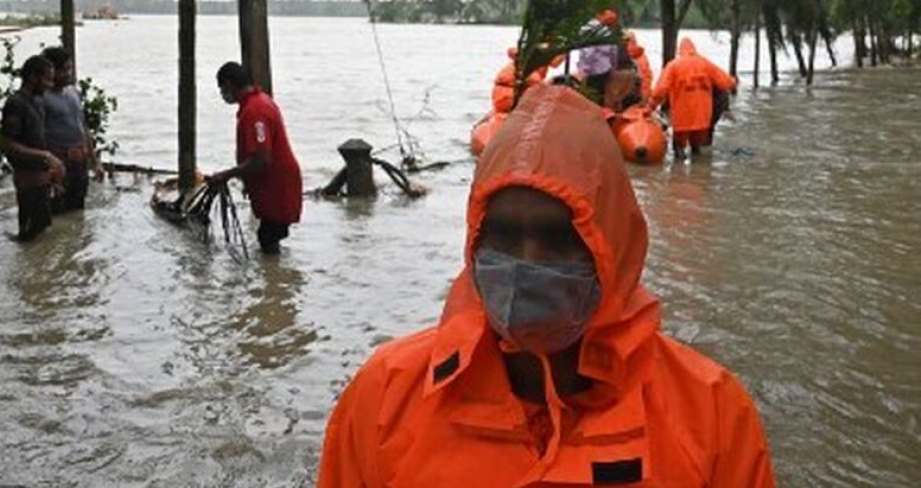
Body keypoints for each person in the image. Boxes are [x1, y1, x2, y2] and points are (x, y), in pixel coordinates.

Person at [318, 85, 775, 488]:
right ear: (474, 240)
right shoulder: (385, 397)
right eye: (503, 235)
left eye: (558, 237)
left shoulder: (710, 415)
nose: (526, 264)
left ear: (610, 249)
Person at [208, 62, 302, 254]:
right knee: (268, 236)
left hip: (277, 185)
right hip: (272, 184)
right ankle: (277, 278)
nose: (222, 94)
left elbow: (262, 160)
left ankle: (276, 280)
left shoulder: (255, 111)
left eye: (222, 89)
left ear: (229, 84)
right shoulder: (257, 103)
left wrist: (226, 175)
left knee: (268, 237)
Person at [0, 55, 64, 241]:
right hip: (27, 182)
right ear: (32, 77)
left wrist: (53, 172)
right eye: (47, 79)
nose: (50, 85)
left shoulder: (37, 101)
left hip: (42, 180)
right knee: (30, 239)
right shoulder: (16, 103)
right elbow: (7, 144)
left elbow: (39, 140)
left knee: (42, 237)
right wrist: (45, 156)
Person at [648, 37, 738, 159]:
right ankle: (699, 175)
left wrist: (651, 105)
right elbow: (724, 81)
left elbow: (661, 89)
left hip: (682, 118)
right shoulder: (705, 63)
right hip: (702, 118)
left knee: (678, 149)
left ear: (680, 51)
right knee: (697, 150)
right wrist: (733, 82)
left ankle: (678, 174)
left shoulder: (673, 66)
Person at [40, 46, 104, 213]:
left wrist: (94, 161)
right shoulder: (41, 98)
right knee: (55, 212)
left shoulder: (73, 92)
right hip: (57, 163)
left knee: (77, 212)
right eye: (64, 69)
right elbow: (35, 136)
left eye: (70, 68)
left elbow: (82, 127)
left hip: (79, 161)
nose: (69, 73)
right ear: (51, 70)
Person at [625, 30, 654, 103]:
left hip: (634, 98)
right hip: (640, 96)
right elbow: (648, 78)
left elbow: (646, 78)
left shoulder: (624, 56)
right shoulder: (642, 57)